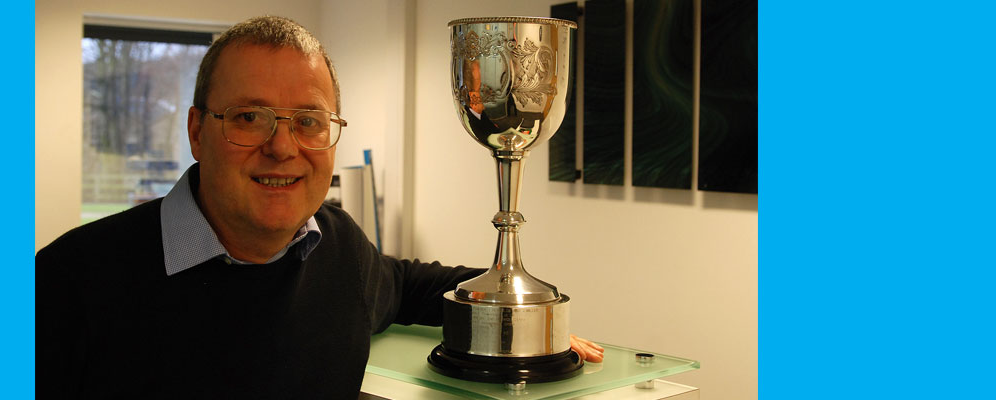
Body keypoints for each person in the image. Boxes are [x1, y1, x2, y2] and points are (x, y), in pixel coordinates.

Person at [37, 16, 603, 399]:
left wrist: (515, 307)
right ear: (196, 131)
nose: (282, 147)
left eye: (309, 122)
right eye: (248, 117)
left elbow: (409, 285)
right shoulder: (68, 281)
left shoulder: (338, 250)